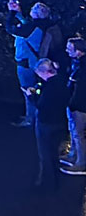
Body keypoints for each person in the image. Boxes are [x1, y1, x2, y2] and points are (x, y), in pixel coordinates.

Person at [29, 57, 70, 189]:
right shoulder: (62, 81)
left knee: (45, 153)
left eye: (39, 74)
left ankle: (47, 183)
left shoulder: (49, 89)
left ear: (45, 72)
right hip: (60, 121)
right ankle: (56, 178)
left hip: (46, 124)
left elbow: (41, 106)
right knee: (54, 151)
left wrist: (31, 96)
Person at [66, 37, 86, 174]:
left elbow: (80, 90)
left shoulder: (82, 68)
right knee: (73, 131)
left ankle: (81, 163)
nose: (66, 50)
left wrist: (73, 103)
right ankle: (73, 154)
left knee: (78, 134)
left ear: (78, 51)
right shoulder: (77, 63)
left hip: (79, 105)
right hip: (74, 103)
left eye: (69, 49)